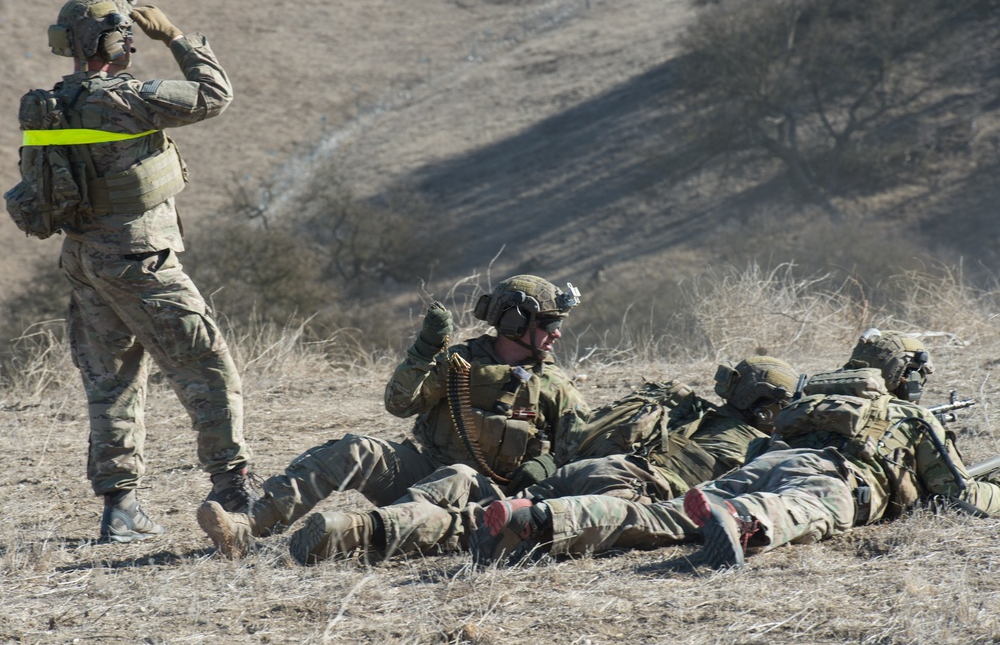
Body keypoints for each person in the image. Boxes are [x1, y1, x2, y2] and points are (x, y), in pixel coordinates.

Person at [474, 328, 1000, 568]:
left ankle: (537, 519)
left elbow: (759, 454)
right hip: (833, 477)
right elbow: (961, 497)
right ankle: (738, 518)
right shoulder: (910, 415)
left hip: (768, 462)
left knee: (663, 516)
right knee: (797, 509)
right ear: (903, 378)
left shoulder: (803, 406)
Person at [29, 0, 255, 543]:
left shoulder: (53, 103)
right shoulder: (128, 97)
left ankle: (121, 507)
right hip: (138, 259)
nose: (132, 39)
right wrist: (175, 37)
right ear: (110, 40)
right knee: (206, 366)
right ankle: (236, 490)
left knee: (111, 384)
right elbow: (215, 94)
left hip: (85, 260)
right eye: (124, 31)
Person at [196, 275, 593, 558]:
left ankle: (357, 532)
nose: (557, 334)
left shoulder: (554, 384)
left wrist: (546, 464)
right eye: (549, 324)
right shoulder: (460, 363)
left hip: (486, 500)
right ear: (515, 321)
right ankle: (247, 527)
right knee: (356, 449)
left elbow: (586, 448)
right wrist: (423, 353)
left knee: (459, 476)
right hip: (425, 473)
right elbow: (400, 404)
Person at [279, 354, 799, 565]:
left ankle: (360, 522)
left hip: (581, 470)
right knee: (475, 529)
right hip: (625, 488)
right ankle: (362, 534)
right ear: (769, 407)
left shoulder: (681, 406)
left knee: (464, 482)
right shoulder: (758, 445)